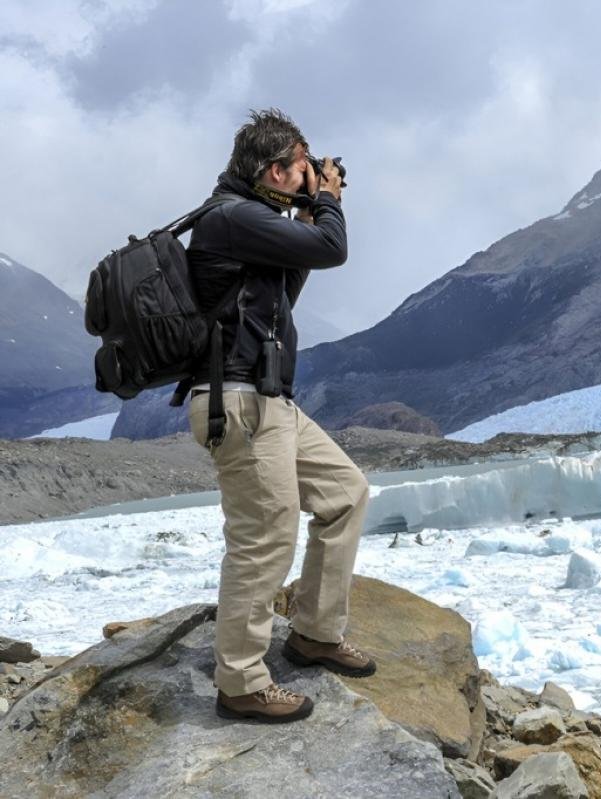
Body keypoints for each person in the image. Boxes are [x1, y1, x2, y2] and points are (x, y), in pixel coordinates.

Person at [184, 108, 375, 724]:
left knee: (345, 493)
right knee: (264, 537)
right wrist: (326, 202)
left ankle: (314, 633)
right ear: (272, 170)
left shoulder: (254, 221)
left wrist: (301, 206)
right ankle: (239, 681)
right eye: (301, 165)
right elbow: (332, 248)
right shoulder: (231, 217)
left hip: (271, 399)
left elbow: (287, 293)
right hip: (237, 401)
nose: (311, 173)